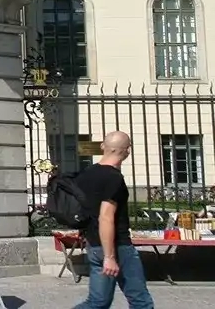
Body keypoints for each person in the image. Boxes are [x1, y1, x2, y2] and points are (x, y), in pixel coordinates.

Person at [73, 131, 154, 309]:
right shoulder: (114, 178)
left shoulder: (86, 174)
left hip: (94, 244)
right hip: (117, 246)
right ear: (128, 151)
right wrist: (110, 257)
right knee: (141, 301)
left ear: (103, 147)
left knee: (97, 303)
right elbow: (106, 216)